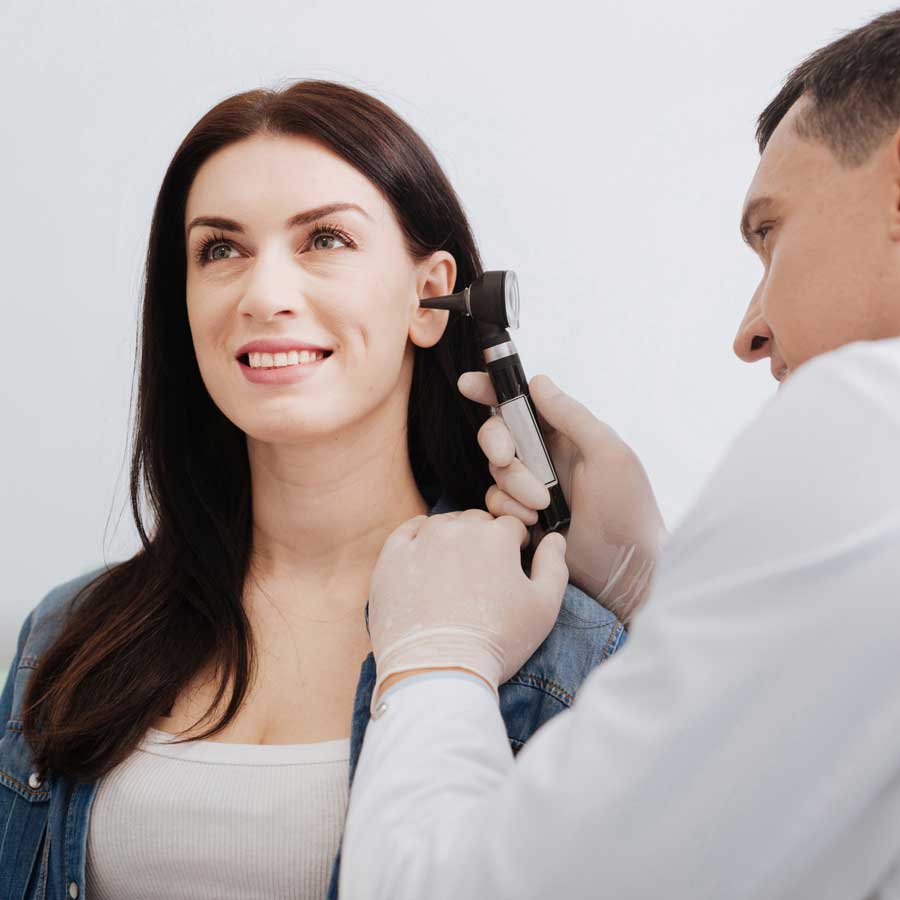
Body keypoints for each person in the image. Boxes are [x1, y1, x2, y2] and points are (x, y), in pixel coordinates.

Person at [0, 81, 627, 900]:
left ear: (430, 297)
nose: (263, 295)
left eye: (324, 238)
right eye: (218, 250)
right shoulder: (66, 635)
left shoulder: (564, 649)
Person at [340, 9, 900, 899]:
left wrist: (436, 663)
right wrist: (655, 588)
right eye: (218, 249)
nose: (750, 332)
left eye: (772, 234)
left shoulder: (869, 424)